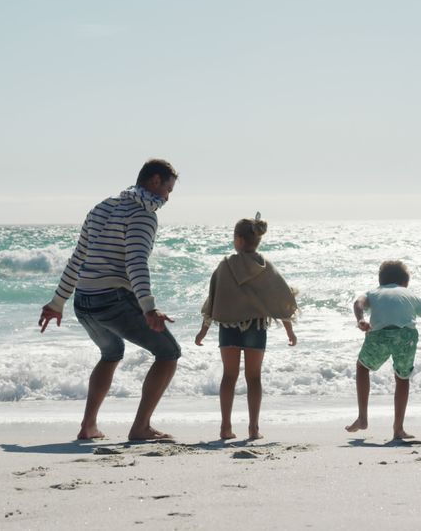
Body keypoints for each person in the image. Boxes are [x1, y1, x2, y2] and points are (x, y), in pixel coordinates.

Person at [37, 159, 182, 441]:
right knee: (168, 353)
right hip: (112, 299)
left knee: (111, 352)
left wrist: (58, 302)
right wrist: (149, 308)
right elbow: (136, 263)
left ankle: (88, 426)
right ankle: (140, 427)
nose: (168, 197)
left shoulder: (102, 207)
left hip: (84, 301)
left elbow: (78, 258)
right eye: (168, 189)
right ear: (154, 181)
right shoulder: (143, 214)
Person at [194, 213, 298, 441]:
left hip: (228, 327)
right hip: (256, 327)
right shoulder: (265, 266)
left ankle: (225, 427)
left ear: (239, 240)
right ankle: (253, 428)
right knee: (254, 378)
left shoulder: (225, 265)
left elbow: (213, 298)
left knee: (229, 376)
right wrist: (289, 330)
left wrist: (204, 329)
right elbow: (281, 298)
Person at [346, 260, 421, 440]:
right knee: (402, 378)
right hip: (406, 337)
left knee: (362, 367)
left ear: (381, 281)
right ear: (405, 283)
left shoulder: (374, 292)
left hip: (380, 335)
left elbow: (358, 303)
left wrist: (360, 319)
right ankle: (398, 429)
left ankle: (362, 418)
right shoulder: (410, 295)